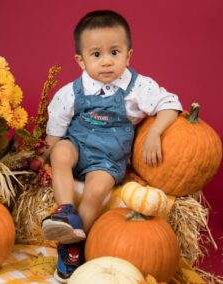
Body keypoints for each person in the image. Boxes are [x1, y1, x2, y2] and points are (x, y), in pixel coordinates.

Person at [40, 10, 182, 282]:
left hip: (106, 159)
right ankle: (65, 212)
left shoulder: (138, 87)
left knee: (97, 188)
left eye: (115, 52)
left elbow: (170, 104)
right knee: (60, 153)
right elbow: (55, 130)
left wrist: (154, 133)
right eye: (96, 55)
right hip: (77, 145)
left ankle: (71, 245)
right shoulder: (71, 92)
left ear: (129, 55)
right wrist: (48, 158)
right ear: (80, 60)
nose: (106, 62)